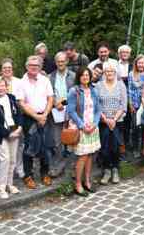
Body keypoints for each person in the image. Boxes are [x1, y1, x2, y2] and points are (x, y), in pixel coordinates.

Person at [16, 55, 55, 189]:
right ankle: (28, 176)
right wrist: (36, 117)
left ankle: (45, 174)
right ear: (27, 67)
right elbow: (21, 103)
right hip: (29, 118)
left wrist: (44, 115)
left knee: (45, 147)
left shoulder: (45, 80)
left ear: (40, 67)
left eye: (36, 66)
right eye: (31, 65)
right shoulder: (21, 82)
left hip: (44, 117)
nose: (34, 68)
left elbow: (50, 98)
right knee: (29, 148)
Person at [0, 78, 24, 199]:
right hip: (1, 134)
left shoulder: (12, 98)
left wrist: (19, 127)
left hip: (15, 131)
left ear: (7, 87)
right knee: (5, 159)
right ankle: (1, 188)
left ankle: (10, 184)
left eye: (3, 85)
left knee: (13, 159)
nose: (1, 88)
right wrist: (7, 134)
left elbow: (18, 114)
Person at [67, 67, 102, 196]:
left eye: (87, 75)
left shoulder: (94, 90)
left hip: (92, 127)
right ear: (79, 77)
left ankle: (87, 181)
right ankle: (78, 184)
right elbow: (71, 111)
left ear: (90, 77)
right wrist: (82, 126)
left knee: (90, 155)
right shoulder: (74, 91)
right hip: (81, 128)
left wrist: (95, 124)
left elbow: (98, 110)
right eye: (83, 75)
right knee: (82, 156)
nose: (85, 77)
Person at [96, 62, 127, 184]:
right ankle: (106, 170)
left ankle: (115, 170)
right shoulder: (98, 85)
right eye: (107, 71)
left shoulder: (121, 85)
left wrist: (114, 119)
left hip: (117, 121)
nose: (109, 73)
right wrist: (105, 119)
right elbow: (97, 105)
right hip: (103, 121)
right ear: (104, 73)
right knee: (104, 147)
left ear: (115, 73)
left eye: (112, 71)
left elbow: (123, 105)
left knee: (115, 147)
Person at [48, 51, 75, 177]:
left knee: (72, 139)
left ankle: (72, 165)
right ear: (55, 62)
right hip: (56, 112)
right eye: (58, 61)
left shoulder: (73, 76)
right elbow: (48, 94)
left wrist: (63, 102)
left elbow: (75, 93)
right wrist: (54, 103)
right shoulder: (50, 77)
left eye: (62, 61)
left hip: (71, 112)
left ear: (67, 62)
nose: (60, 63)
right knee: (57, 140)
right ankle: (59, 165)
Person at [0, 58, 25, 179]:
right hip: (2, 119)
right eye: (4, 68)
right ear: (1, 71)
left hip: (17, 117)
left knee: (18, 146)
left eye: (9, 68)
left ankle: (18, 169)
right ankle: (0, 171)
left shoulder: (19, 82)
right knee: (2, 147)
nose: (7, 70)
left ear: (12, 70)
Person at [128, 55, 144, 158]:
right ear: (136, 63)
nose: (141, 64)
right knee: (135, 127)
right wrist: (130, 104)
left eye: (143, 63)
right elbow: (129, 90)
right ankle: (136, 149)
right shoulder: (131, 74)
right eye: (139, 62)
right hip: (135, 104)